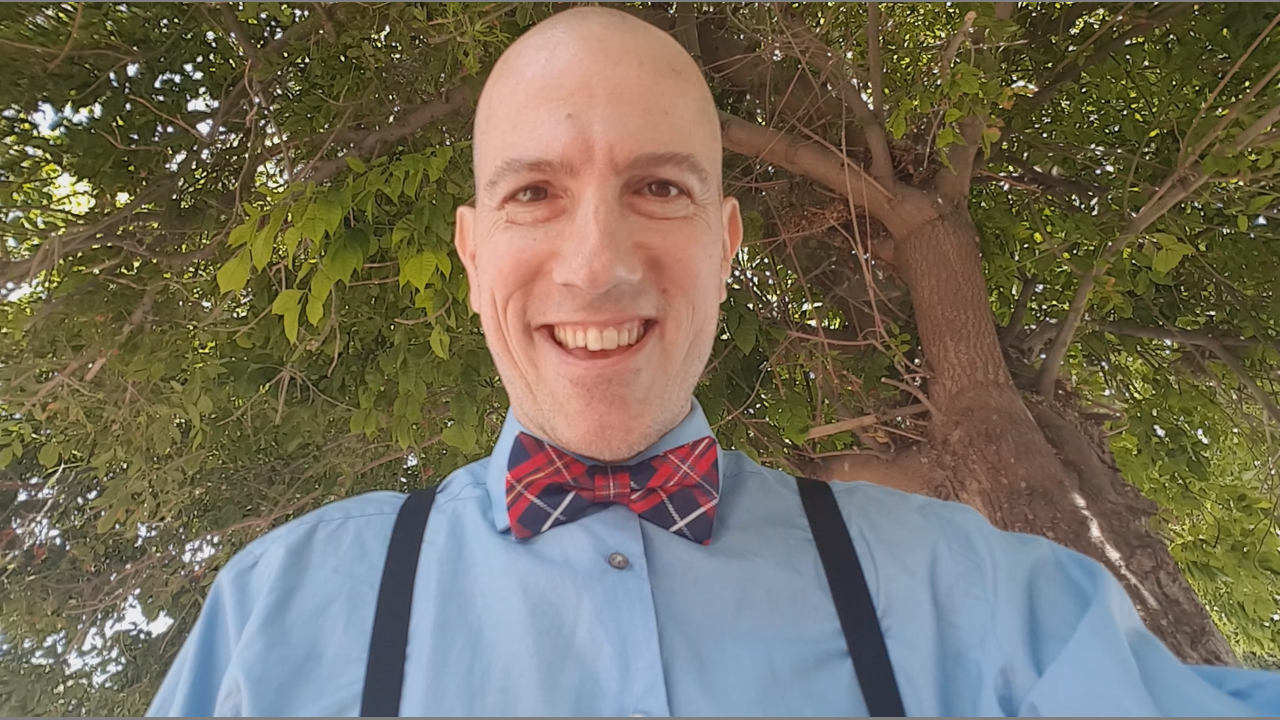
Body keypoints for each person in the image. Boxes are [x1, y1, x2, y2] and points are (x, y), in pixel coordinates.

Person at [148, 7, 1280, 717]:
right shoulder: (277, 617)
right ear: (472, 249)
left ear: (725, 243)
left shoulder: (969, 599)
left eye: (659, 187)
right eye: (533, 193)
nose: (596, 265)